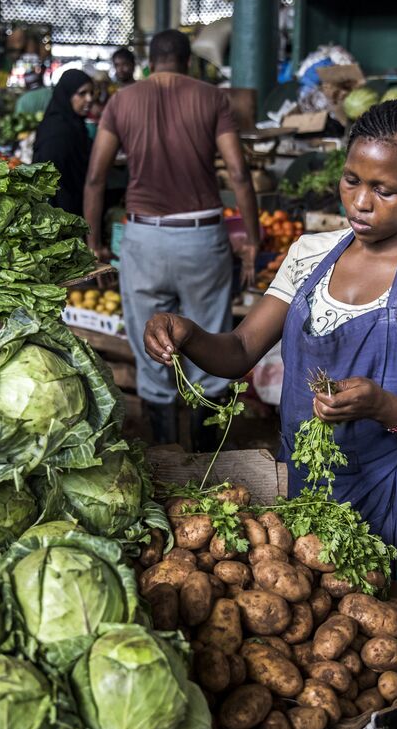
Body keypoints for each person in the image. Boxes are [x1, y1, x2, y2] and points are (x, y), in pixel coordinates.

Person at [145, 98, 397, 608]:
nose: (361, 203)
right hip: (300, 481)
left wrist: (382, 406)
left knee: (370, 616)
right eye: (352, 181)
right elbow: (238, 351)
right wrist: (187, 333)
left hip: (382, 493)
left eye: (383, 190)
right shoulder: (309, 254)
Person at [85, 29, 261, 448]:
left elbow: (95, 177)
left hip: (143, 238)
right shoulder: (211, 97)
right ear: (187, 61)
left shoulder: (122, 100)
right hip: (201, 239)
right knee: (210, 344)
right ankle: (206, 462)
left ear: (150, 60)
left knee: (153, 351)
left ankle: (166, 459)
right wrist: (252, 237)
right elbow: (238, 172)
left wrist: (93, 242)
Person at [32, 70, 94, 216]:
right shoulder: (57, 132)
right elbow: (53, 184)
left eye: (92, 93)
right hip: (60, 214)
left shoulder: (76, 126)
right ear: (66, 95)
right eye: (82, 93)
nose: (89, 99)